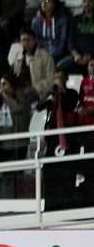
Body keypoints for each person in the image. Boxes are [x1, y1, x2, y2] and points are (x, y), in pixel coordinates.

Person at [0, 73, 31, 198]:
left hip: (19, 143)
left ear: (12, 86)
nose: (1, 87)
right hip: (3, 144)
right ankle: (7, 201)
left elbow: (17, 108)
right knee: (6, 176)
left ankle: (19, 200)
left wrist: (6, 96)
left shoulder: (20, 96)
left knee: (18, 174)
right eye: (0, 84)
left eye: (5, 84)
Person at [37, 68, 80, 209]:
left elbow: (72, 104)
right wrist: (50, 99)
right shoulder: (51, 94)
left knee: (67, 168)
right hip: (53, 136)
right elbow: (39, 107)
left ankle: (68, 201)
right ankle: (52, 202)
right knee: (52, 169)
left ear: (66, 79)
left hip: (67, 135)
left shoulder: (72, 93)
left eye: (61, 77)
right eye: (55, 77)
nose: (58, 79)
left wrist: (62, 92)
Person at [13, 28, 56, 105]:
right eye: (23, 40)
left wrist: (35, 88)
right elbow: (14, 74)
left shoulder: (45, 56)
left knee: (22, 99)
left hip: (37, 92)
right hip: (20, 90)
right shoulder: (18, 56)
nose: (26, 43)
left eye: (29, 39)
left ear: (35, 40)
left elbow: (51, 80)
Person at [59, 0, 94, 74]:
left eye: (90, 1)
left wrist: (90, 55)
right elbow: (71, 40)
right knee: (59, 69)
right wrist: (75, 54)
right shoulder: (76, 19)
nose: (87, 4)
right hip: (78, 56)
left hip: (92, 56)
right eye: (85, 1)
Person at [31, 0, 69, 64]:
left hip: (58, 54)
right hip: (42, 54)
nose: (44, 3)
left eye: (47, 1)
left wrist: (54, 53)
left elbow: (62, 41)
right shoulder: (36, 21)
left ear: (54, 4)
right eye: (42, 1)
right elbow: (35, 40)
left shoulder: (62, 20)